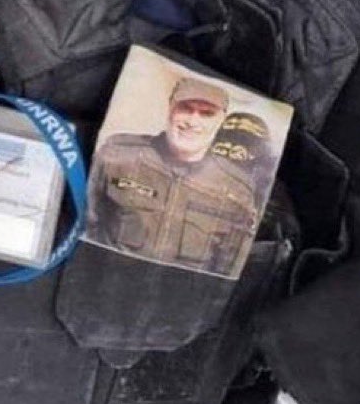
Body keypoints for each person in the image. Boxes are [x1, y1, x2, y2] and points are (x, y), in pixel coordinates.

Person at [86, 77, 262, 278]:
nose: (192, 121)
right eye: (186, 108)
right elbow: (84, 225)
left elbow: (226, 271)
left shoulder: (236, 189)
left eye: (207, 114)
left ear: (221, 120)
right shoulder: (119, 155)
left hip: (178, 293)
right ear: (170, 107)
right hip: (107, 280)